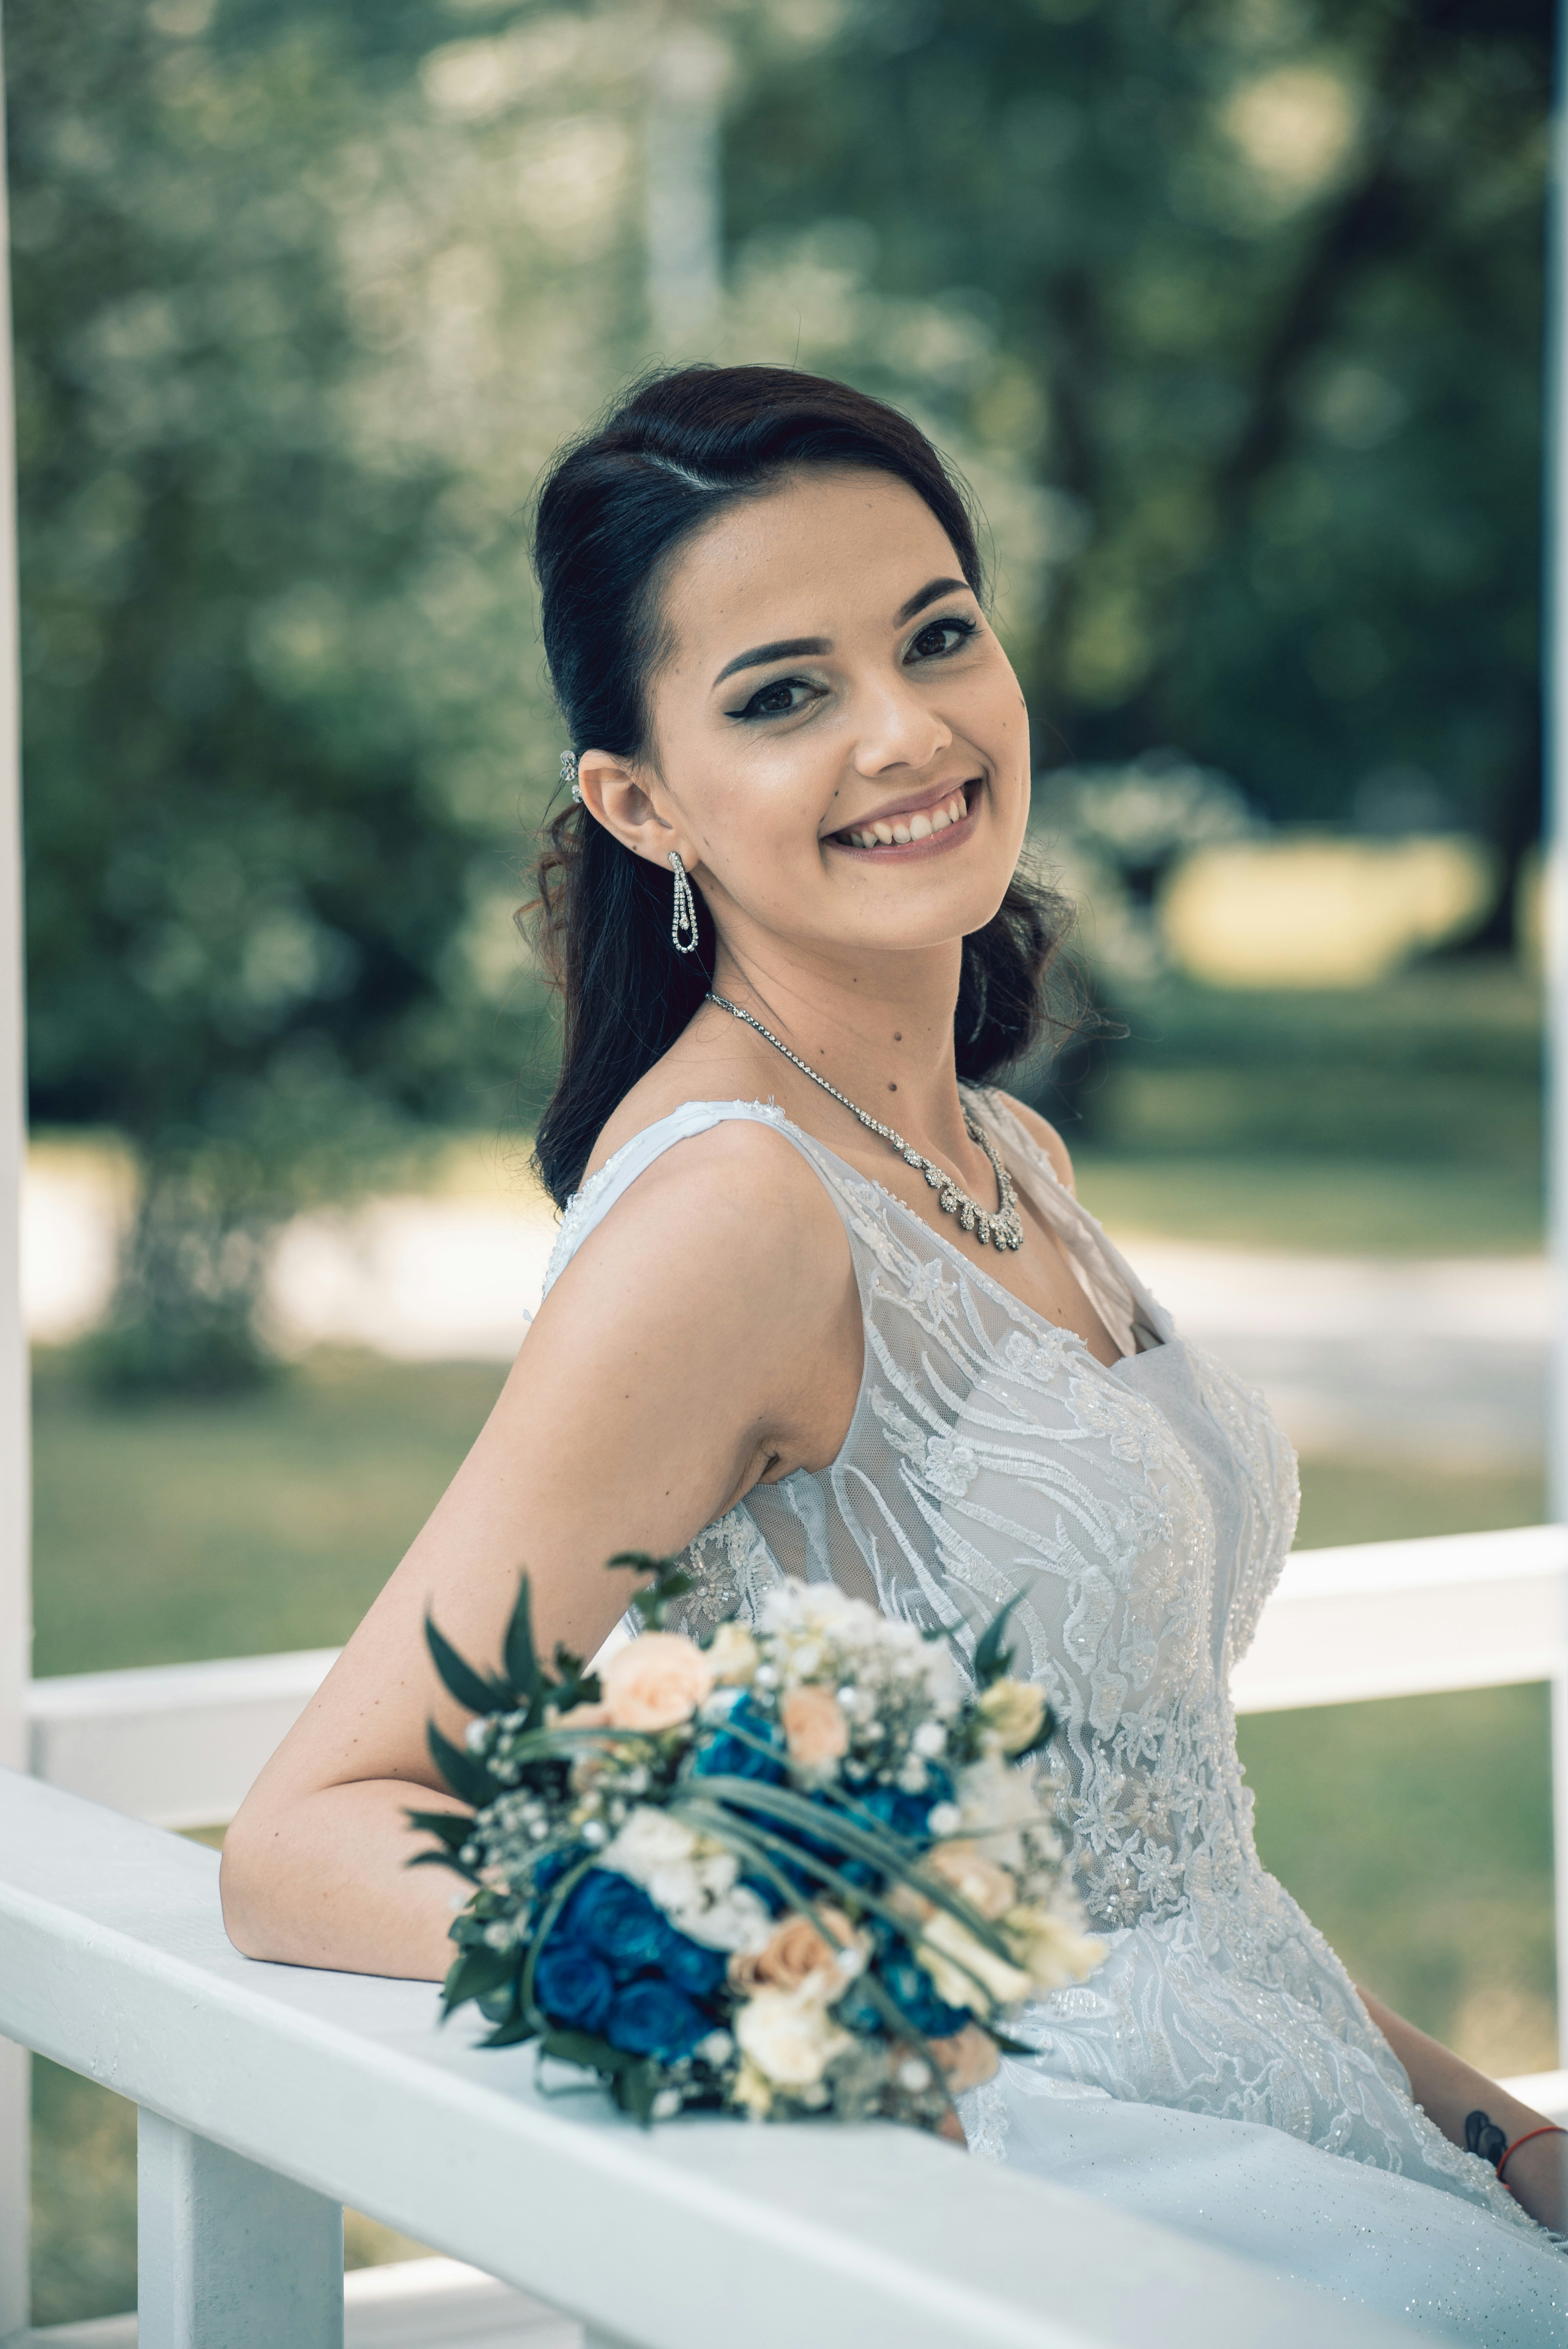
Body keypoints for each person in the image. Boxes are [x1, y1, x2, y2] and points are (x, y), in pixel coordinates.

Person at [221, 365, 1566, 2337]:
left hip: (1300, 2119)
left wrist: (1494, 2134)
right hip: (1053, 2204)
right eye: (782, 693)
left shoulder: (1002, 1148)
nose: (906, 729)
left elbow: (1153, 1848)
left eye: (937, 634)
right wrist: (789, 1983)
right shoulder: (732, 1216)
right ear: (638, 800)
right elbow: (308, 1835)